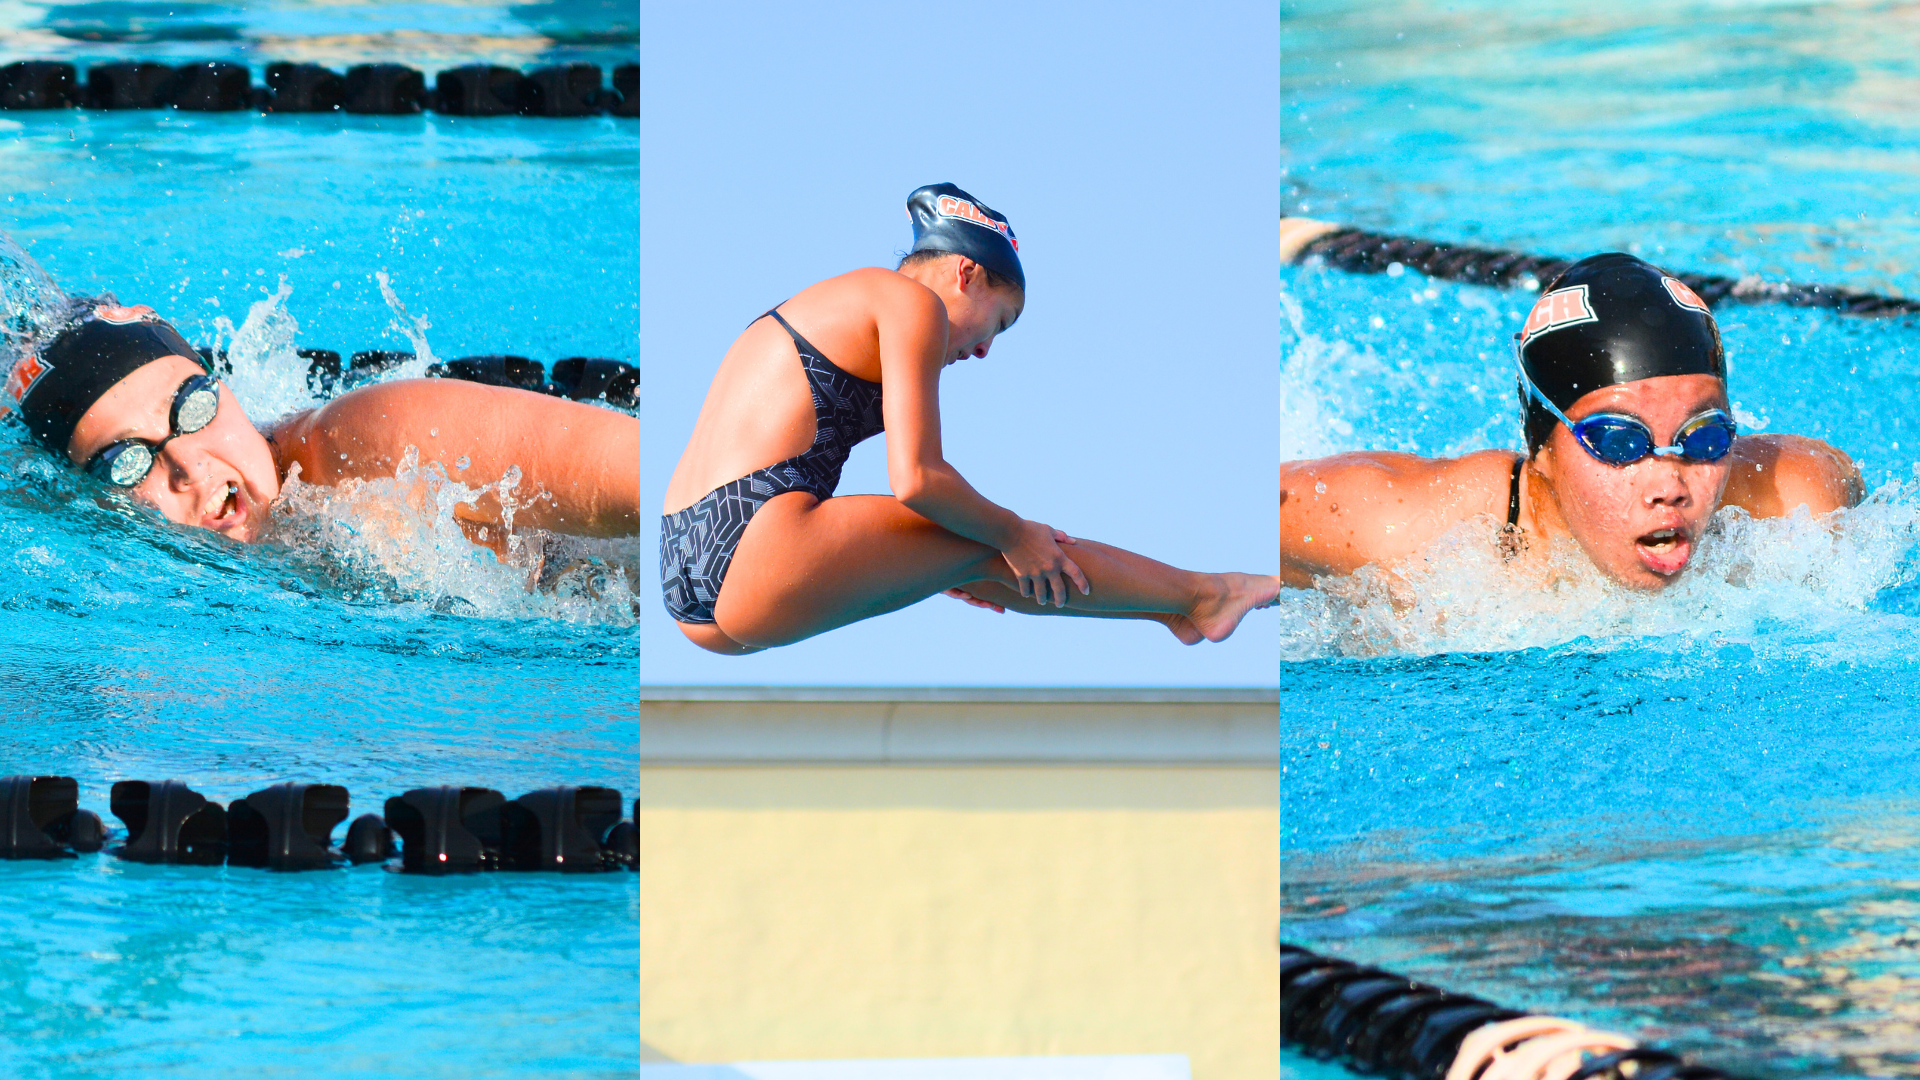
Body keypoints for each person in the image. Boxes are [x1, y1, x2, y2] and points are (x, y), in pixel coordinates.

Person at [659, 182, 1280, 655]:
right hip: (753, 549)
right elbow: (918, 479)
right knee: (998, 543)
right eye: (999, 323)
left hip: (686, 569)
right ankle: (1205, 595)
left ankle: (1169, 607)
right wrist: (1010, 533)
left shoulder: (828, 305)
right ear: (966, 273)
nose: (984, 350)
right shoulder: (907, 302)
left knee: (977, 552)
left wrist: (924, 560)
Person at [1281, 252, 1862, 591]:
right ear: (1544, 447)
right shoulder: (1406, 535)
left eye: (1703, 437)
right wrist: (1223, 588)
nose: (1669, 485)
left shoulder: (1795, 501)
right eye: (1618, 440)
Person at [4, 300, 638, 550]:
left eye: (190, 408)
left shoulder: (373, 439)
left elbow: (665, 479)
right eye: (126, 461)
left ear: (221, 384)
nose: (190, 468)